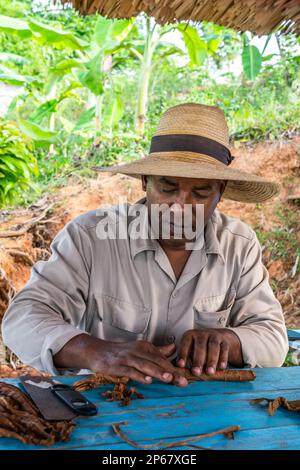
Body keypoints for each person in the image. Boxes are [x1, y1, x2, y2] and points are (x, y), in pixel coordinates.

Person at [2, 103, 288, 387]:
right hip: (106, 411)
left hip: (208, 412)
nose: (180, 207)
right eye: (168, 188)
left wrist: (229, 341)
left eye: (201, 193)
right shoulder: (90, 237)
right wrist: (95, 352)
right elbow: (23, 318)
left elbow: (274, 339)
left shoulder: (238, 245)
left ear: (220, 192)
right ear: (144, 181)